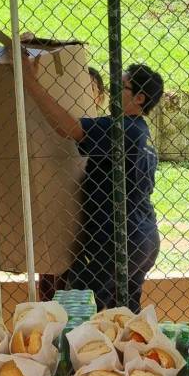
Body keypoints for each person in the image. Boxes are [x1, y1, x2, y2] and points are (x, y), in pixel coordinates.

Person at [23, 56, 164, 312]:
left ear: (139, 98)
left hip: (117, 239)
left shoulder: (123, 128)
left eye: (120, 87)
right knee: (122, 315)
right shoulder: (141, 131)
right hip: (143, 236)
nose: (112, 92)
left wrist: (30, 81)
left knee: (76, 311)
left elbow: (69, 128)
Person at [38, 66, 107, 302]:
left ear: (100, 97)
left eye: (89, 88)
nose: (81, 94)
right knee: (52, 285)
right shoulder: (51, 128)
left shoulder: (104, 129)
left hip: (94, 226)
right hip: (58, 216)